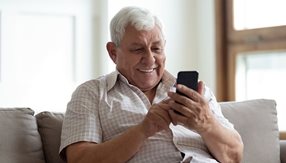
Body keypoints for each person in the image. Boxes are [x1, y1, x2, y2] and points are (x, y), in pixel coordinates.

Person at [59, 6, 243, 163]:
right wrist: (143, 130)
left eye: (156, 48)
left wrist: (206, 123)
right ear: (113, 52)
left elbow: (234, 156)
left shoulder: (196, 94)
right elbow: (79, 159)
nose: (150, 59)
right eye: (138, 49)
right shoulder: (91, 94)